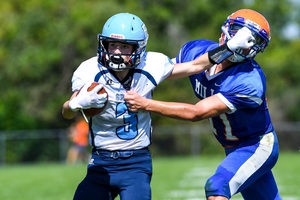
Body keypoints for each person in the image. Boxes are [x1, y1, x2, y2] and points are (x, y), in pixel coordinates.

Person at [62, 12, 254, 200]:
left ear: (138, 48)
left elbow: (195, 65)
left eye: (124, 46)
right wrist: (74, 104)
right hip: (100, 163)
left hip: (135, 163)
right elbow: (67, 113)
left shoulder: (150, 65)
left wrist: (228, 47)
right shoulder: (89, 71)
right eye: (112, 45)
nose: (117, 52)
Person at [125, 9, 281, 200]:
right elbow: (164, 73)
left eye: (253, 41)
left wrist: (145, 104)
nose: (245, 44)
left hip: (256, 145)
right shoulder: (197, 50)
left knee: (217, 188)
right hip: (232, 146)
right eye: (240, 33)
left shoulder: (249, 81)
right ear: (226, 30)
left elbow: (196, 113)